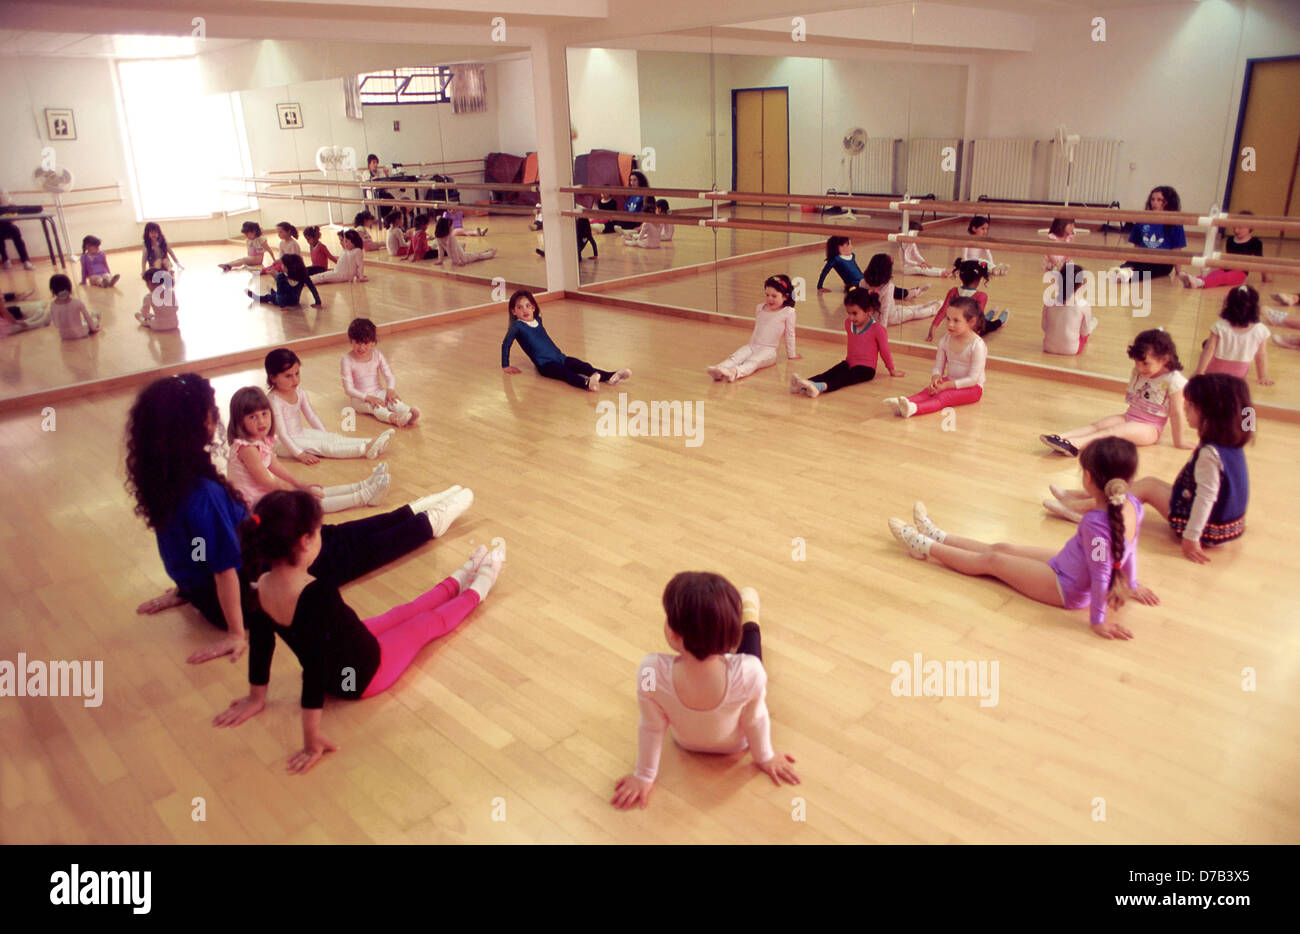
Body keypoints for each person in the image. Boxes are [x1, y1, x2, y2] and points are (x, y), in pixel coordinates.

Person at [127, 373, 473, 663]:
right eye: (207, 414)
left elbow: (187, 547)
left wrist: (186, 587)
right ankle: (431, 518)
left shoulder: (162, 478)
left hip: (238, 573)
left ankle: (418, 509)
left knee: (338, 535)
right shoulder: (202, 493)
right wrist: (235, 632)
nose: (212, 420)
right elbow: (221, 568)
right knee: (355, 549)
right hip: (250, 586)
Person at [212, 490, 503, 774]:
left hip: (351, 648)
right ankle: (482, 581)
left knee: (402, 613)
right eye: (318, 533)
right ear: (304, 542)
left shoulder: (261, 586)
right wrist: (311, 740)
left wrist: (256, 698)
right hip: (363, 675)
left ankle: (463, 574)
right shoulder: (317, 593)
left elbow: (262, 645)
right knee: (427, 623)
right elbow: (314, 670)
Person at [888, 437, 1158, 640]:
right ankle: (937, 534)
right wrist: (1131, 584)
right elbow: (1130, 550)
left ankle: (922, 545)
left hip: (1067, 587)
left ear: (1088, 478)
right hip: (1065, 564)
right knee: (1003, 547)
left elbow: (1101, 576)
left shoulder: (1096, 525)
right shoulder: (1132, 504)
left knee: (993, 560)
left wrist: (1098, 621)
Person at [611, 573, 799, 809]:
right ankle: (748, 611)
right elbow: (755, 718)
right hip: (736, 745)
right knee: (752, 656)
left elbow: (651, 725)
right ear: (733, 641)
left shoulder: (650, 670)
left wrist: (644, 775)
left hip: (685, 743)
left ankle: (744, 611)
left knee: (745, 662)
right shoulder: (750, 671)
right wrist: (766, 757)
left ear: (673, 634)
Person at [1043, 375, 1251, 564]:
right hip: (1224, 526)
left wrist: (1191, 538)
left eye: (1190, 406)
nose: (1184, 409)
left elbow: (1206, 498)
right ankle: (1088, 497)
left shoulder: (1209, 454)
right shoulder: (1229, 443)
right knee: (1150, 482)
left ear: (1208, 413)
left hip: (1207, 530)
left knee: (1147, 488)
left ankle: (1087, 509)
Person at [225, 386, 390, 513]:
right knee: (309, 503)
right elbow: (266, 481)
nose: (261, 421)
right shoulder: (247, 449)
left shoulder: (262, 440)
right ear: (240, 422)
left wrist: (299, 484)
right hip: (253, 505)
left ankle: (362, 486)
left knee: (314, 491)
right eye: (252, 417)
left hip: (263, 495)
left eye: (264, 414)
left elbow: (274, 465)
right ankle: (364, 496)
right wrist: (295, 493)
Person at [1040, 329, 1192, 456]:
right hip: (1130, 416)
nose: (1140, 368)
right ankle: (1060, 438)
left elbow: (1176, 413)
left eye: (1145, 363)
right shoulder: (1142, 372)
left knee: (1113, 431)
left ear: (1164, 359)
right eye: (1137, 363)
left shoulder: (1174, 381)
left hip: (1150, 428)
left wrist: (1179, 442)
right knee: (1098, 425)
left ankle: (1074, 445)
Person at [265, 348, 394, 463]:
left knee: (334, 438)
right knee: (323, 447)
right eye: (288, 376)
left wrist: (326, 436)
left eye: (297, 373)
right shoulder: (274, 400)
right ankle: (364, 449)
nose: (295, 380)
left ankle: (370, 441)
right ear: (273, 377)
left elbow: (312, 416)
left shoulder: (300, 392)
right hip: (282, 443)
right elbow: (282, 434)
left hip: (300, 433)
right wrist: (300, 454)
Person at [501, 290, 630, 391]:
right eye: (519, 307)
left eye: (528, 306)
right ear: (513, 311)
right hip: (546, 365)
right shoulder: (517, 326)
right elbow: (506, 344)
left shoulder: (538, 320)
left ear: (533, 308)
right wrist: (505, 365)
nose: (525, 310)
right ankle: (587, 383)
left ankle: (611, 376)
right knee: (565, 373)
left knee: (582, 365)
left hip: (560, 357)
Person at [884, 297, 986, 419]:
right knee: (929, 391)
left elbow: (973, 379)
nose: (950, 324)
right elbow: (938, 366)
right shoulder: (945, 340)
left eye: (956, 320)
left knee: (944, 396)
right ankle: (903, 402)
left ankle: (914, 409)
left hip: (973, 389)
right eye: (948, 319)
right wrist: (936, 377)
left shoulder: (977, 345)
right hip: (949, 381)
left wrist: (947, 385)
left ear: (972, 322)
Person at [790, 288, 904, 397]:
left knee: (843, 379)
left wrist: (892, 370)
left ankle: (819, 387)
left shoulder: (878, 330)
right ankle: (803, 384)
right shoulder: (848, 323)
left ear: (868, 310)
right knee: (830, 373)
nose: (851, 317)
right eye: (848, 313)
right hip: (849, 362)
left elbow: (885, 351)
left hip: (866, 369)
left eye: (855, 313)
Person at [706, 274, 799, 382]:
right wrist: (750, 347)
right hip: (752, 345)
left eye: (774, 296)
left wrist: (791, 354)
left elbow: (790, 334)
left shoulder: (788, 312)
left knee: (754, 361)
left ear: (785, 296)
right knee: (737, 356)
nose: (770, 299)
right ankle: (720, 368)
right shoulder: (760, 308)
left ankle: (735, 372)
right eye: (767, 295)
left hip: (769, 350)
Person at [341, 317, 420, 426]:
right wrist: (368, 398)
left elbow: (389, 375)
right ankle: (395, 419)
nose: (361, 347)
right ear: (351, 340)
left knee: (393, 401)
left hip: (378, 392)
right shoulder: (347, 360)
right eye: (357, 343)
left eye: (366, 343)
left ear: (373, 342)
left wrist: (390, 389)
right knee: (377, 407)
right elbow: (348, 389)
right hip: (359, 399)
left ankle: (408, 412)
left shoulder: (377, 355)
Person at [1193, 285, 1272, 385]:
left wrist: (1199, 372)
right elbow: (1261, 355)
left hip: (1214, 372)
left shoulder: (1220, 326)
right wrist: (1262, 376)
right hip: (1239, 374)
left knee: (1207, 344)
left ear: (1228, 305)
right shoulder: (1261, 330)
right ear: (1256, 307)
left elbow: (1209, 350)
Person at [1112, 186, 1185, 282]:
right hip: (1144, 257)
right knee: (1130, 264)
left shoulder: (1174, 223)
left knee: (1145, 270)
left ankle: (1128, 276)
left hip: (1162, 262)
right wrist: (1135, 259)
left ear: (1167, 202)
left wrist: (1179, 271)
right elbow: (1137, 245)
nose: (1155, 203)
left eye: (1159, 200)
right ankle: (1123, 271)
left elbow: (1176, 249)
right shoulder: (1143, 220)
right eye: (1153, 199)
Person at [926, 259, 1006, 341]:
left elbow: (943, 311)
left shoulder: (953, 291)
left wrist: (932, 328)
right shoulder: (981, 296)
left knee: (984, 321)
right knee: (991, 325)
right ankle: (1001, 319)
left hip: (967, 328)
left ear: (961, 277)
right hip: (973, 329)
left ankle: (992, 313)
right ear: (978, 279)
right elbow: (979, 319)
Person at [1179, 213, 1263, 289]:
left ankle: (1200, 283)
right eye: (1234, 227)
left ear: (1250, 227)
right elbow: (1228, 258)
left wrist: (1265, 277)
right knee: (1213, 274)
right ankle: (1194, 279)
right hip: (1227, 268)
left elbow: (1261, 262)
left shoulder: (1255, 243)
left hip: (1240, 273)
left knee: (1222, 278)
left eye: (1240, 228)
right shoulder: (1230, 240)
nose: (1236, 230)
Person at [862, 253, 939, 325]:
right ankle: (934, 308)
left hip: (887, 312)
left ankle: (928, 303)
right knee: (913, 313)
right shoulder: (888, 287)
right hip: (890, 317)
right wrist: (882, 329)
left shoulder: (863, 282)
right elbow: (884, 312)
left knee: (910, 309)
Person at [1041, 263, 1097, 355]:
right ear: (1081, 284)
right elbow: (1084, 332)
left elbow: (1044, 327)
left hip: (1048, 347)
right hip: (1071, 350)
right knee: (1088, 330)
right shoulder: (1083, 305)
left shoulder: (1049, 302)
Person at [247, 254, 323, 309]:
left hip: (284, 300)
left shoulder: (281, 277)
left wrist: (282, 306)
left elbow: (280, 294)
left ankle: (256, 297)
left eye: (282, 264)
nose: (281, 266)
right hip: (292, 301)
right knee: (275, 294)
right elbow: (312, 288)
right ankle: (271, 291)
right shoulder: (301, 276)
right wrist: (318, 302)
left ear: (288, 267)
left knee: (269, 297)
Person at [48, 274, 99, 340]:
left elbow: (55, 323)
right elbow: (87, 318)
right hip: (80, 333)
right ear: (69, 288)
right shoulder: (77, 302)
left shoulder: (53, 305)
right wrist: (94, 329)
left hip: (63, 336)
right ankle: (95, 316)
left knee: (82, 322)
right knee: (94, 320)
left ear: (52, 291)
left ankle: (93, 315)